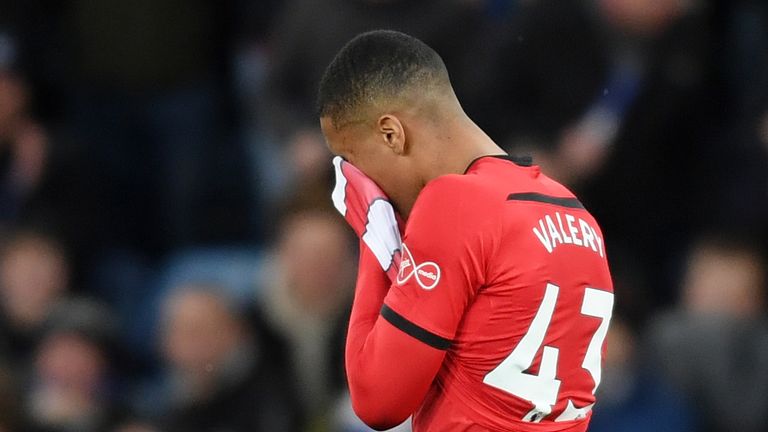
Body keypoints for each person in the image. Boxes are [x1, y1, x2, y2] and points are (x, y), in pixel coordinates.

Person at [317, 30, 615, 431]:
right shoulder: (577, 213)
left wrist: (374, 224)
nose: (356, 177)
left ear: (392, 133)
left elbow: (377, 402)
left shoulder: (455, 203)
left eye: (352, 159)